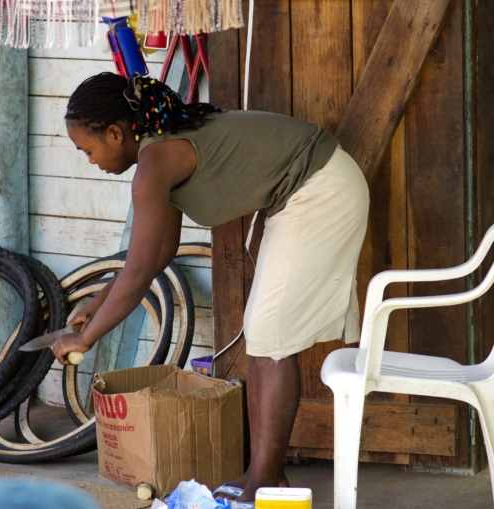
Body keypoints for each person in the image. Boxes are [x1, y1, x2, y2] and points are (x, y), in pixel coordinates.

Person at [52, 72, 369, 505]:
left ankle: (263, 478)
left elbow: (140, 271)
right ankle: (265, 474)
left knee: (271, 337)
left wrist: (85, 337)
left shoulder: (155, 163)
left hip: (321, 189)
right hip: (304, 191)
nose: (90, 161)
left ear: (115, 133)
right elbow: (158, 255)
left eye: (87, 150)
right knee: (264, 334)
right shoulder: (157, 154)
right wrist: (97, 300)